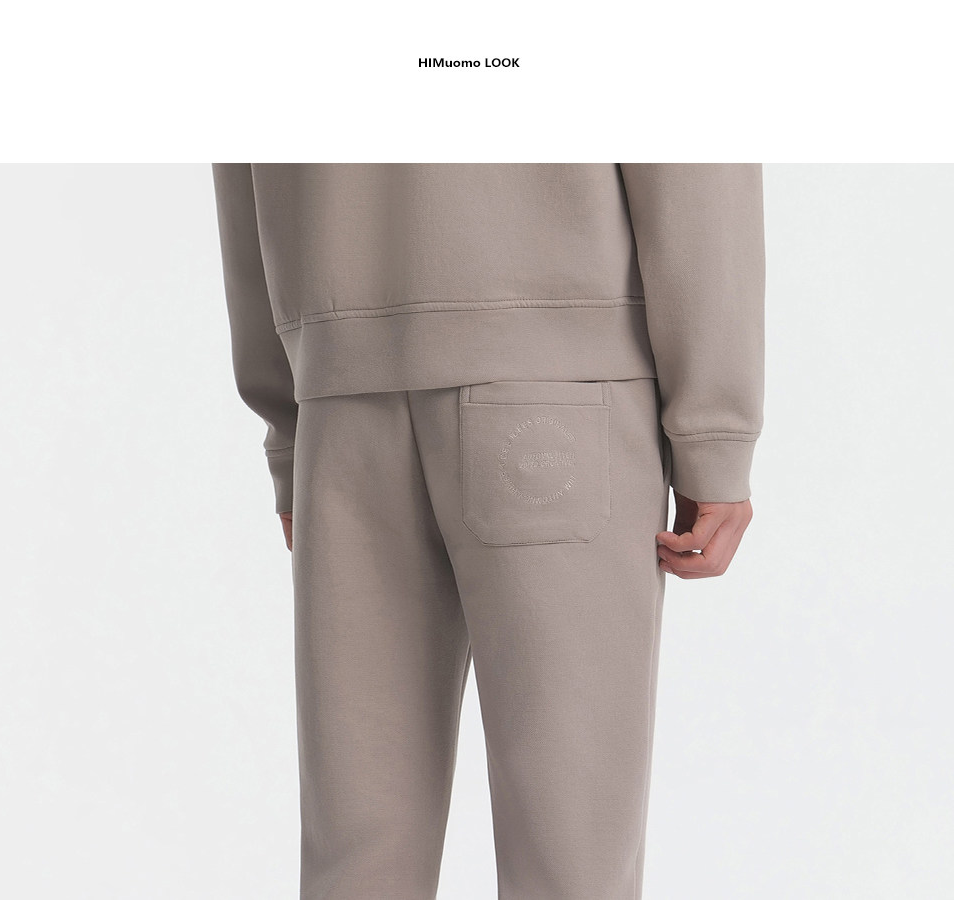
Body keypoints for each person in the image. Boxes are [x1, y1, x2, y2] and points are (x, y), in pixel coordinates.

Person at [212, 163, 764, 900]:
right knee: (570, 856)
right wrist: (714, 431)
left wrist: (290, 428)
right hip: (562, 377)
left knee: (358, 856)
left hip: (341, 395)